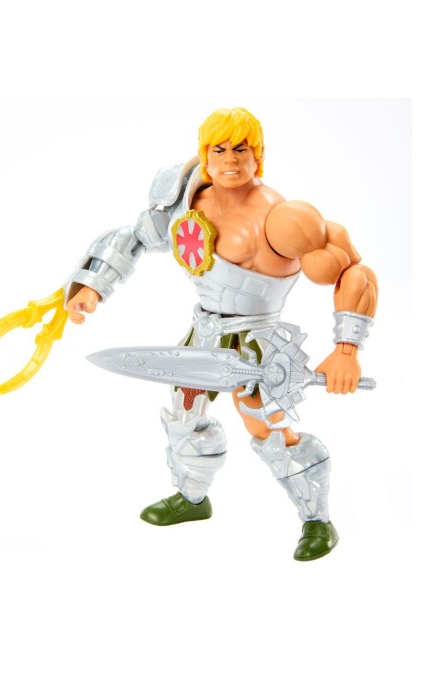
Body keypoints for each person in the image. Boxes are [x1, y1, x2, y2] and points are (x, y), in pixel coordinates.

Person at [64, 107, 378, 561]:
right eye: (219, 149)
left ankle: (317, 520)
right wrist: (93, 286)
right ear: (205, 154)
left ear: (258, 156)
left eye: (241, 150)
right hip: (205, 331)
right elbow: (136, 236)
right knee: (185, 413)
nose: (229, 160)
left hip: (259, 340)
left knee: (268, 425)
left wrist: (347, 350)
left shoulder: (283, 219)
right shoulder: (185, 197)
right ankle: (192, 498)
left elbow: (354, 272)